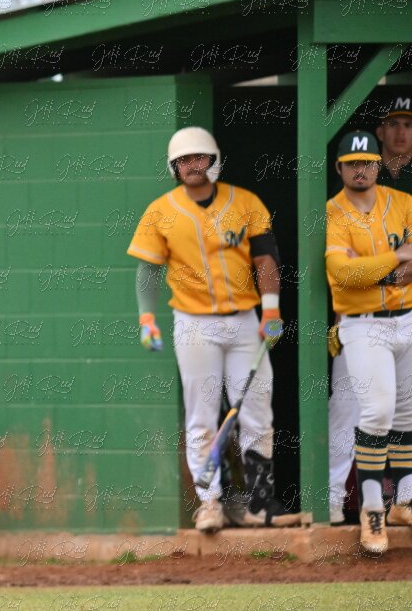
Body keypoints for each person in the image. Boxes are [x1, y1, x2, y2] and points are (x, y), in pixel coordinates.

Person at [127, 126, 300, 534]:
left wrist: (270, 309)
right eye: (183, 160)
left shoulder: (245, 202)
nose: (192, 165)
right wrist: (146, 318)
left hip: (244, 321)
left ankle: (260, 503)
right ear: (174, 167)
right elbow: (148, 271)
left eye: (199, 157)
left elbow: (266, 259)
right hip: (194, 324)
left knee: (257, 410)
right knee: (202, 416)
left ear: (213, 160)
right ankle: (209, 504)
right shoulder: (160, 211)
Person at [323, 130, 412, 556]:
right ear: (339, 167)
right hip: (362, 325)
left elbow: (363, 271)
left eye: (368, 163)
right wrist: (397, 260)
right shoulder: (332, 212)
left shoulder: (403, 202)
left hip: (406, 318)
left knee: (406, 413)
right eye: (353, 163)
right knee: (376, 413)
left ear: (378, 165)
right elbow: (343, 274)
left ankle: (404, 502)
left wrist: (373, 270)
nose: (361, 170)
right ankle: (372, 510)